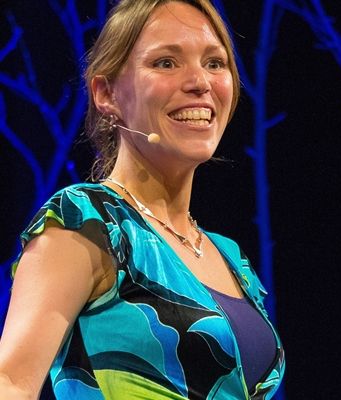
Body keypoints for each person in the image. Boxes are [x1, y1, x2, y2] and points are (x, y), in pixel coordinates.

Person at [0, 0, 285, 399]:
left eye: (215, 63)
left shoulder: (230, 258)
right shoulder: (86, 222)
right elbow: (10, 382)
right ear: (106, 93)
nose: (200, 81)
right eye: (166, 62)